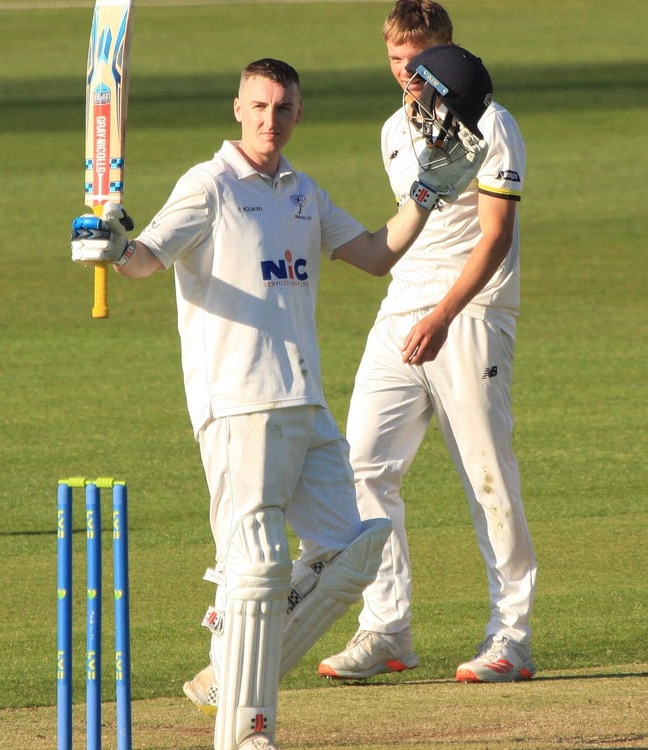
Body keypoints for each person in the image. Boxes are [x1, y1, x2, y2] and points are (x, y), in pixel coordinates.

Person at [72, 57, 486, 750]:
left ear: (298, 113)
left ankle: (226, 668)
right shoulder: (208, 186)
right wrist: (111, 243)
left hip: (305, 401)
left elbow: (376, 254)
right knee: (258, 566)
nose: (271, 120)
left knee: (356, 551)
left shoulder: (304, 193)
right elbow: (145, 258)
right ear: (238, 108)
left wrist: (424, 194)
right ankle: (244, 733)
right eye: (259, 107)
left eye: (284, 108)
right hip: (237, 403)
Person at [317, 0, 538, 684]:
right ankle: (388, 629)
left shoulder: (492, 123)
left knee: (486, 474)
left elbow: (494, 236)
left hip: (469, 315)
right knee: (362, 468)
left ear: (447, 51)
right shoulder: (392, 128)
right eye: (396, 61)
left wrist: (443, 314)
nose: (408, 74)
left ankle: (512, 637)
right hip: (400, 311)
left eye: (419, 61)